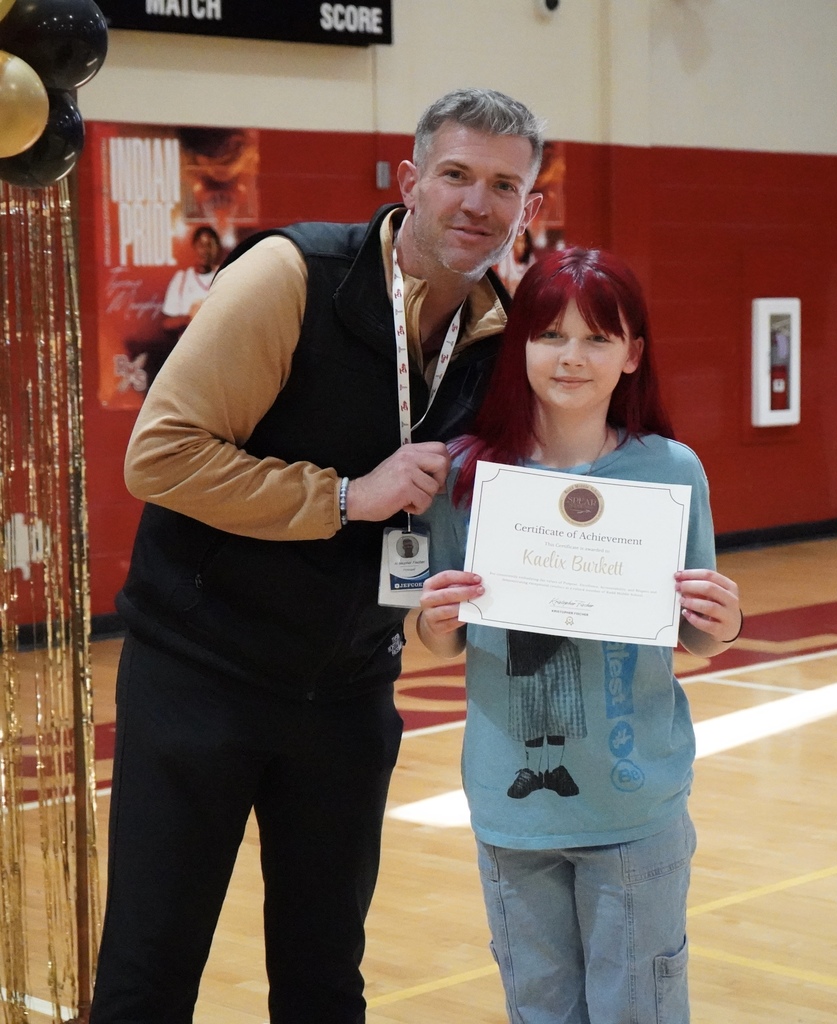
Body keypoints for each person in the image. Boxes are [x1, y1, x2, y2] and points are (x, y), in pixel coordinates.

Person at [89, 87, 545, 1024]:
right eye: (456, 175)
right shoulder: (292, 276)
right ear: (410, 181)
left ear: (528, 207)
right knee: (149, 975)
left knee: (325, 985)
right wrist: (344, 498)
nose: (477, 203)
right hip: (202, 675)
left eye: (504, 186)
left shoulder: (504, 335)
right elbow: (159, 457)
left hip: (346, 693)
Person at [417, 247, 742, 1024]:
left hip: (633, 803)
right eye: (549, 334)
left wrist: (723, 624)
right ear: (519, 346)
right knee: (539, 1010)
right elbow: (439, 640)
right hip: (510, 805)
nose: (571, 357)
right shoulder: (463, 476)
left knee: (637, 1009)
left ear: (631, 355)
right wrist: (432, 619)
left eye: (597, 338)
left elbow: (696, 635)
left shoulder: (671, 471)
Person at [160, 224, 222, 336]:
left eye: (210, 245)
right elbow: (167, 324)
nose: (205, 250)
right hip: (189, 345)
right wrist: (189, 318)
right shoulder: (182, 279)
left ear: (217, 249)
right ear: (194, 247)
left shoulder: (224, 276)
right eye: (201, 245)